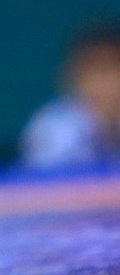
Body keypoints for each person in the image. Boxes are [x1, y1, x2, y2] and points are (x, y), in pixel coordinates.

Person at [21, 25, 120, 171]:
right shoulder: (52, 127)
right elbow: (47, 187)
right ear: (73, 77)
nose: (108, 82)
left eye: (114, 69)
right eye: (96, 71)